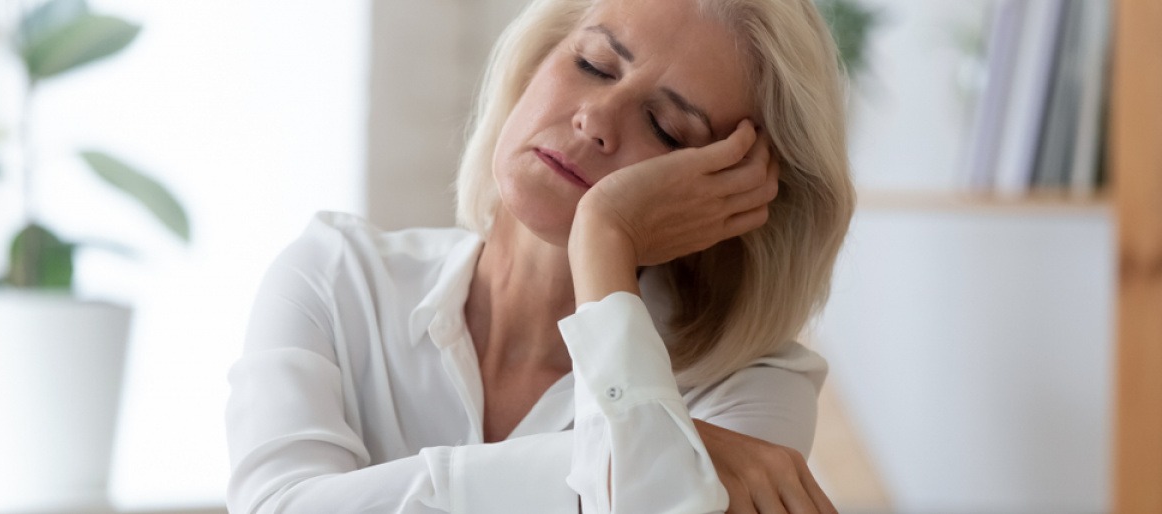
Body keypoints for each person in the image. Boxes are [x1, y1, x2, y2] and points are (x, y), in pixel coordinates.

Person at [225, 0, 854, 511]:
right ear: (536, 59)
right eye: (593, 63)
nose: (596, 117)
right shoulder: (337, 278)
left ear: (737, 198)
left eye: (667, 128)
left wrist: (605, 236)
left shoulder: (754, 387)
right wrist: (626, 455)